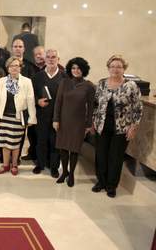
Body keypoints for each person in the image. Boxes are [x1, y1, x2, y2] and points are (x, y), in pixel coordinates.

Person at [92, 55, 142, 198]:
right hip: (102, 126)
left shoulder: (131, 86)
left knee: (116, 157)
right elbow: (95, 104)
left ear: (124, 69)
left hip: (121, 128)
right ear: (108, 68)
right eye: (113, 66)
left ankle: (111, 186)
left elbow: (138, 108)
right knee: (101, 155)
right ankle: (100, 182)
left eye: (119, 67)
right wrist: (93, 122)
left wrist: (134, 127)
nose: (115, 69)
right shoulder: (101, 83)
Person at [53, 57, 95, 187]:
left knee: (74, 149)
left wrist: (88, 124)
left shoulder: (88, 86)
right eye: (73, 68)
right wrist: (56, 119)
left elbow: (91, 106)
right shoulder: (64, 83)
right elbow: (58, 102)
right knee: (63, 148)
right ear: (70, 69)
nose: (76, 70)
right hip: (63, 120)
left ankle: (71, 175)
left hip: (79, 122)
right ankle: (64, 172)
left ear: (84, 70)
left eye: (78, 68)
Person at [0, 56, 37, 176]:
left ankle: (15, 165)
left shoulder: (27, 82)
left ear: (20, 68)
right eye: (12, 66)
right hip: (4, 117)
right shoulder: (2, 81)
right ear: (8, 68)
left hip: (18, 117)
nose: (14, 68)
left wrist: (32, 118)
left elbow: (30, 100)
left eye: (17, 65)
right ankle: (6, 165)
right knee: (4, 143)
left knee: (15, 143)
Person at [31, 49, 65, 177]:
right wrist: (37, 101)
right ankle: (40, 164)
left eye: (53, 57)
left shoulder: (65, 77)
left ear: (58, 59)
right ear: (44, 60)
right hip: (41, 115)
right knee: (41, 141)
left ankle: (54, 167)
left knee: (55, 142)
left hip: (57, 117)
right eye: (48, 57)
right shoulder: (37, 76)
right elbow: (30, 95)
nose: (51, 59)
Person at [11, 38, 38, 161]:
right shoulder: (6, 64)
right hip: (9, 105)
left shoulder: (30, 66)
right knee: (8, 131)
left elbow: (32, 87)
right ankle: (6, 157)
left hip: (23, 105)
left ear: (24, 49)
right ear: (12, 48)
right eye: (15, 46)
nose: (17, 49)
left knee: (20, 132)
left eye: (20, 46)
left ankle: (16, 158)